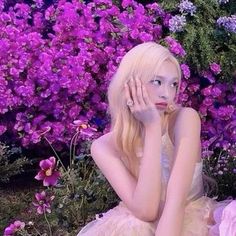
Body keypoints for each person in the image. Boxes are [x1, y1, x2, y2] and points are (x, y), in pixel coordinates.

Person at [77, 42, 235, 236]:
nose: (166, 94)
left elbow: (175, 202)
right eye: (157, 82)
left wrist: (153, 125)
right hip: (139, 225)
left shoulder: (185, 119)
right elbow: (146, 210)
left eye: (173, 84)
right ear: (129, 85)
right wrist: (151, 129)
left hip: (192, 220)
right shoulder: (103, 147)